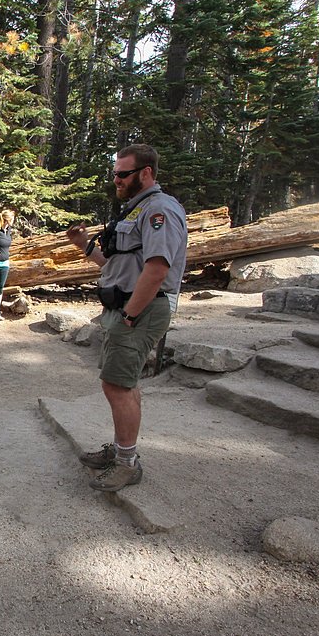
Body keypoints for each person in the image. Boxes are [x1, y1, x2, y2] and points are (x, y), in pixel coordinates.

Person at [64, 144, 187, 492]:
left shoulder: (159, 210)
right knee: (122, 383)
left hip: (142, 308)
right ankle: (121, 451)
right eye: (115, 173)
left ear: (145, 173)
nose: (116, 180)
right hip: (125, 308)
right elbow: (117, 265)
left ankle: (127, 464)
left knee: (117, 385)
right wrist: (84, 245)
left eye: (122, 174)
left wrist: (132, 314)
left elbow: (157, 268)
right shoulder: (136, 210)